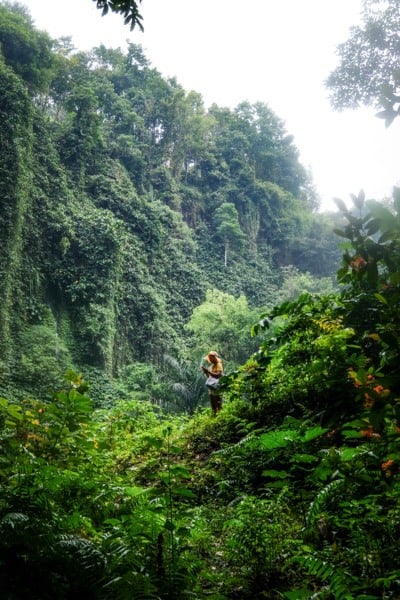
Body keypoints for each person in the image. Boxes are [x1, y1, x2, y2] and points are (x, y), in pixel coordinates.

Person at [201, 351, 224, 415]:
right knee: (213, 404)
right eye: (210, 358)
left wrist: (208, 371)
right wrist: (206, 372)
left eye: (212, 358)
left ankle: (220, 416)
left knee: (218, 403)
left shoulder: (219, 364)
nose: (210, 359)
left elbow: (218, 375)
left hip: (218, 387)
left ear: (215, 358)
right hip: (212, 388)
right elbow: (210, 377)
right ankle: (214, 416)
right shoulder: (212, 366)